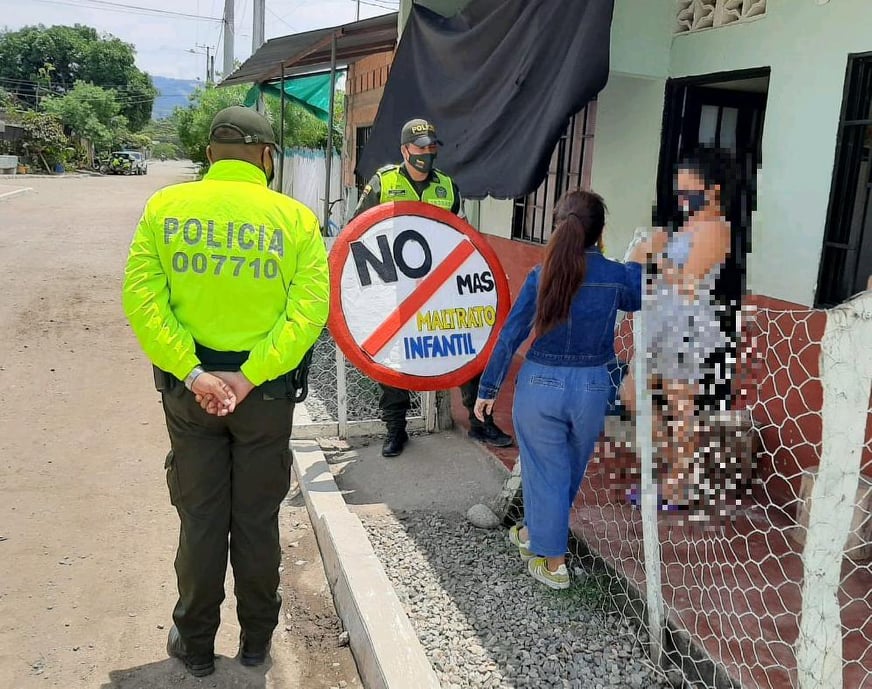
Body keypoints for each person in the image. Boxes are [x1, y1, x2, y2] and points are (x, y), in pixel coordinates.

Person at [122, 105, 329, 677]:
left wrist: (196, 375)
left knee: (202, 518)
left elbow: (143, 302)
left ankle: (194, 644)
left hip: (191, 397)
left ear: (210, 153)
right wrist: (250, 374)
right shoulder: (295, 219)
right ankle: (258, 641)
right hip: (264, 396)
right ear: (267, 156)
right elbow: (309, 311)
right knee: (257, 520)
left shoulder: (165, 209)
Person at [474, 190, 642, 589]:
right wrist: (637, 261)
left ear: (558, 228)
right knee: (562, 471)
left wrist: (488, 388)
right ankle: (534, 533)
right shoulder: (616, 275)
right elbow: (637, 295)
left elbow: (510, 335)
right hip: (590, 388)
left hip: (540, 386)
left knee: (544, 468)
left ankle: (554, 564)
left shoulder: (540, 274)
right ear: (600, 233)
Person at [351, 117, 513, 457]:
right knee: (392, 360)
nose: (426, 153)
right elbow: (357, 232)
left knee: (471, 346)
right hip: (395, 290)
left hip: (441, 289)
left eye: (431, 147)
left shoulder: (447, 187)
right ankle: (395, 430)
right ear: (404, 150)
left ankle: (479, 421)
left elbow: (464, 237)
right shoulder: (384, 183)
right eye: (420, 147)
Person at [621, 148, 739, 509]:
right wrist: (645, 256)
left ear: (713, 190)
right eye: (680, 191)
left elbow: (690, 283)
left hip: (688, 327)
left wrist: (657, 255)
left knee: (680, 406)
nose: (683, 198)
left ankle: (677, 484)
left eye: (690, 191)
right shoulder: (686, 226)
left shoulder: (717, 230)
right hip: (663, 320)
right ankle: (670, 468)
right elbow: (660, 276)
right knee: (632, 392)